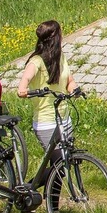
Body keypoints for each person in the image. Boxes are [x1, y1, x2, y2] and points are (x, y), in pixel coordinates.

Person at [17, 20, 79, 187]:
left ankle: (43, 200)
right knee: (59, 165)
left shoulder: (61, 57)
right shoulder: (36, 61)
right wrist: (24, 90)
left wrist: (74, 89)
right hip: (46, 122)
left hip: (64, 119)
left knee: (63, 166)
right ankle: (29, 189)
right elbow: (24, 82)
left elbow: (69, 80)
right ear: (55, 37)